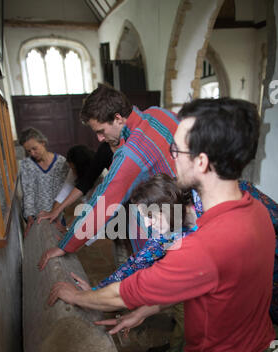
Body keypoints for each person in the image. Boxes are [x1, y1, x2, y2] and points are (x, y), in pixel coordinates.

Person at [47, 97, 278, 352]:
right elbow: (198, 283)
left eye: (176, 149)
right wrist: (145, 309)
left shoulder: (201, 247)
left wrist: (77, 294)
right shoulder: (254, 208)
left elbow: (132, 288)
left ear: (201, 161)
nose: (169, 156)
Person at [38, 83, 179, 271]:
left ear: (118, 118)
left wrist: (65, 245)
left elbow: (102, 204)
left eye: (101, 131)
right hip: (194, 215)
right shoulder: (159, 113)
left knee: (150, 284)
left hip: (165, 229)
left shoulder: (131, 153)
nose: (99, 139)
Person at [70, 173, 197, 291]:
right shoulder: (164, 237)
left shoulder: (205, 201)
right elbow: (134, 265)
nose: (147, 224)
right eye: (144, 218)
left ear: (167, 207)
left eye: (151, 216)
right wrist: (95, 291)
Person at [37, 142, 113, 226]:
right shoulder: (74, 171)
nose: (72, 171)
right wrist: (53, 212)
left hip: (106, 211)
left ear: (81, 167)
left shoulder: (101, 175)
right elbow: (64, 193)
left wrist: (68, 228)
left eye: (73, 168)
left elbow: (88, 206)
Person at [19, 127, 68, 237]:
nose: (32, 153)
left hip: (57, 215)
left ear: (43, 143)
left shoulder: (61, 162)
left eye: (34, 148)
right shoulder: (27, 165)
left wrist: (57, 213)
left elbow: (63, 193)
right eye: (28, 151)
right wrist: (30, 217)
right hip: (37, 218)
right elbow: (28, 193)